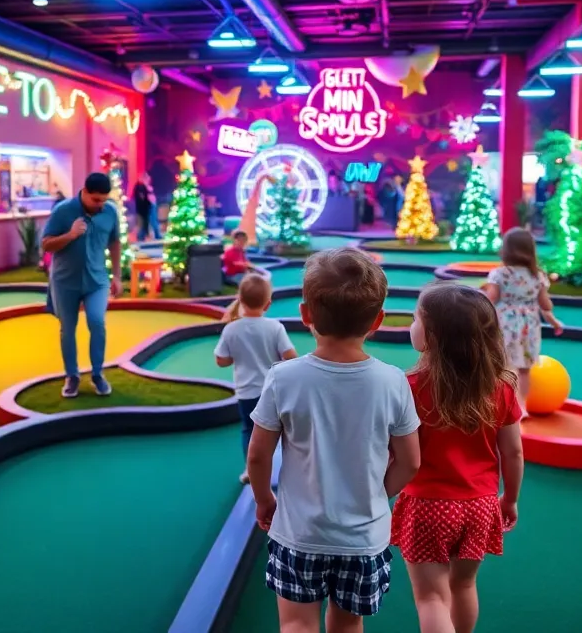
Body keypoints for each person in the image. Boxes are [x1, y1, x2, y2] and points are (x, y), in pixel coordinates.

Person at [246, 248, 422, 633]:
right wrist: (378, 493)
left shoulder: (283, 377)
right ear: (377, 320)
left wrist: (265, 500)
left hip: (299, 533)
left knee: (296, 624)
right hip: (363, 537)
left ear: (306, 313)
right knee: (347, 626)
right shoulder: (393, 381)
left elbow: (258, 455)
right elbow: (410, 462)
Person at [393, 283, 524, 633]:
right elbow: (512, 452)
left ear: (433, 336)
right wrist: (509, 499)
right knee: (464, 585)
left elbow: (395, 451)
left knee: (431, 598)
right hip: (480, 505)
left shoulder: (410, 386)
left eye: (415, 319)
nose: (411, 325)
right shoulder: (502, 387)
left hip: (427, 505)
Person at [41, 172, 123, 399]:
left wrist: (117, 276)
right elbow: (46, 244)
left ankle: (98, 374)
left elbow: (114, 242)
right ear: (84, 192)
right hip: (65, 281)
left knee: (97, 322)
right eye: (96, 200)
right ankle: (72, 376)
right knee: (67, 329)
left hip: (97, 280)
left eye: (104, 200)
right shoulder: (63, 211)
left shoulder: (110, 212)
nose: (100, 205)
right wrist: (70, 234)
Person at [214, 273, 298, 483]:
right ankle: (288, 469)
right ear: (268, 304)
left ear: (240, 300)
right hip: (273, 391)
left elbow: (221, 360)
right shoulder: (274, 327)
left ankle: (250, 471)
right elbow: (290, 356)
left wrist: (237, 354)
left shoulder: (231, 329)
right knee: (279, 431)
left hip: (246, 392)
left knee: (249, 430)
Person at [480, 228, 564, 414]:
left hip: (504, 324)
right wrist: (550, 313)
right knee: (524, 369)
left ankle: (498, 405)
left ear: (506, 250)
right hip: (529, 327)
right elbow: (545, 304)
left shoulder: (500, 274)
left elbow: (490, 298)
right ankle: (522, 406)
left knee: (501, 366)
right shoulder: (538, 276)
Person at [132, 174, 154, 241]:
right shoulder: (140, 186)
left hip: (142, 208)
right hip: (143, 208)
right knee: (142, 223)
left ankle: (142, 236)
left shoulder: (140, 186)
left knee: (142, 223)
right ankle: (141, 236)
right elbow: (143, 198)